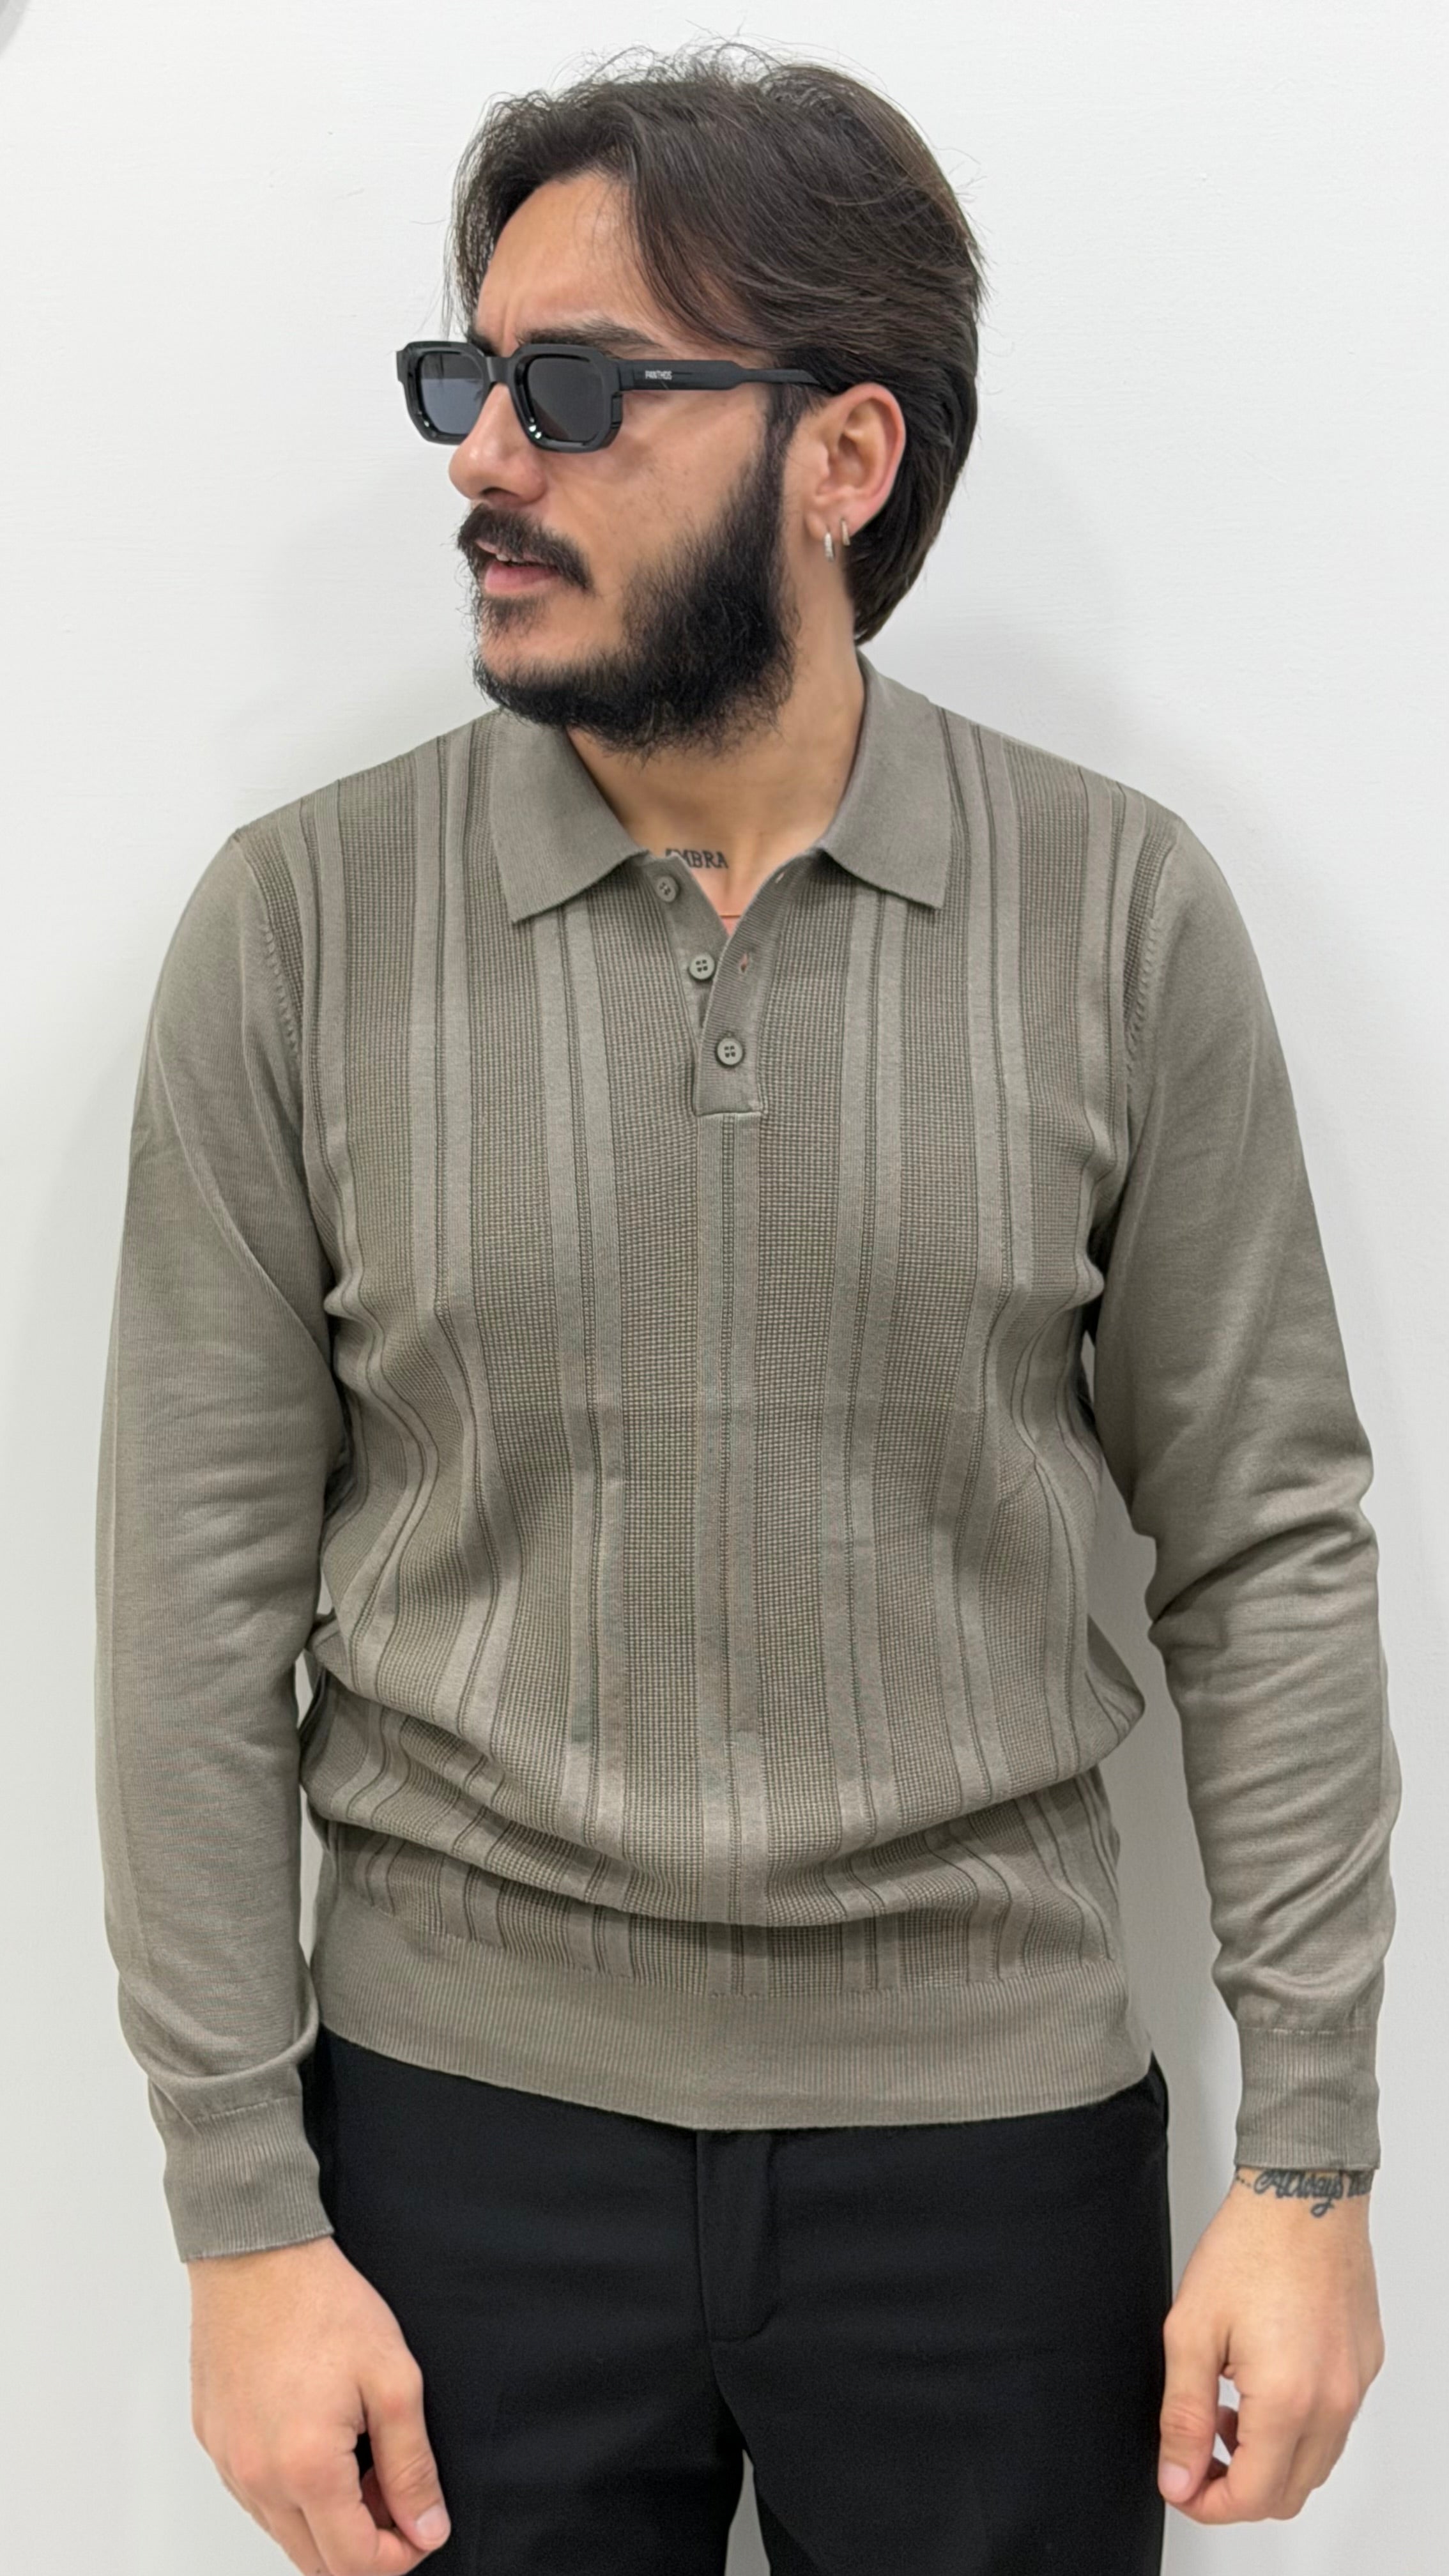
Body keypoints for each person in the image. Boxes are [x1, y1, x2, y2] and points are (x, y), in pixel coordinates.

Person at [94, 39, 1399, 2576]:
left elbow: (1266, 1548)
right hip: (453, 2162)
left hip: (995, 2170)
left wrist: (1314, 2163)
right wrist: (242, 2215)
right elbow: (192, 1609)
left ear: (844, 453)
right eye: (471, 382)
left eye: (579, 393)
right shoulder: (300, 927)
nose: (486, 462)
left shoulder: (1118, 915)